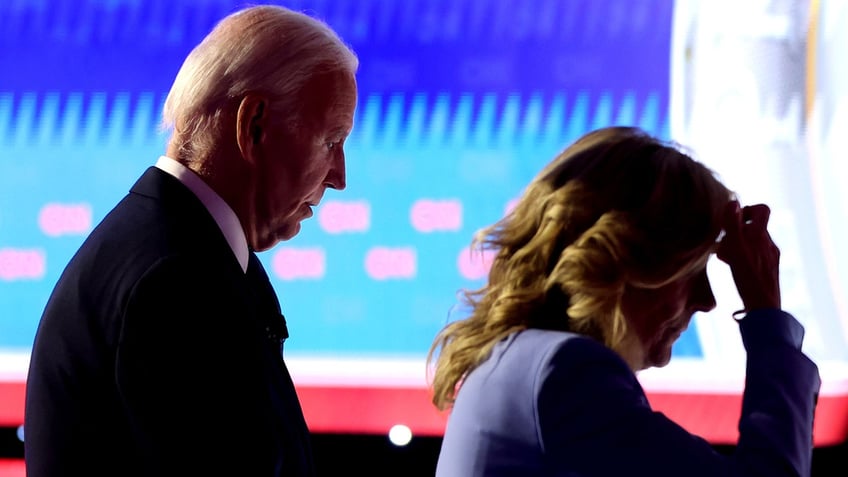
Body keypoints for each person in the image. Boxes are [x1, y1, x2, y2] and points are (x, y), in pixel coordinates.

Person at [24, 5, 358, 477]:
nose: (340, 176)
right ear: (255, 125)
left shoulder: (187, 250)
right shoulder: (177, 279)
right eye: (331, 140)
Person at [428, 126, 821, 476]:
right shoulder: (566, 372)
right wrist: (766, 312)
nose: (707, 301)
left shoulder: (519, 362)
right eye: (693, 271)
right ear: (625, 259)